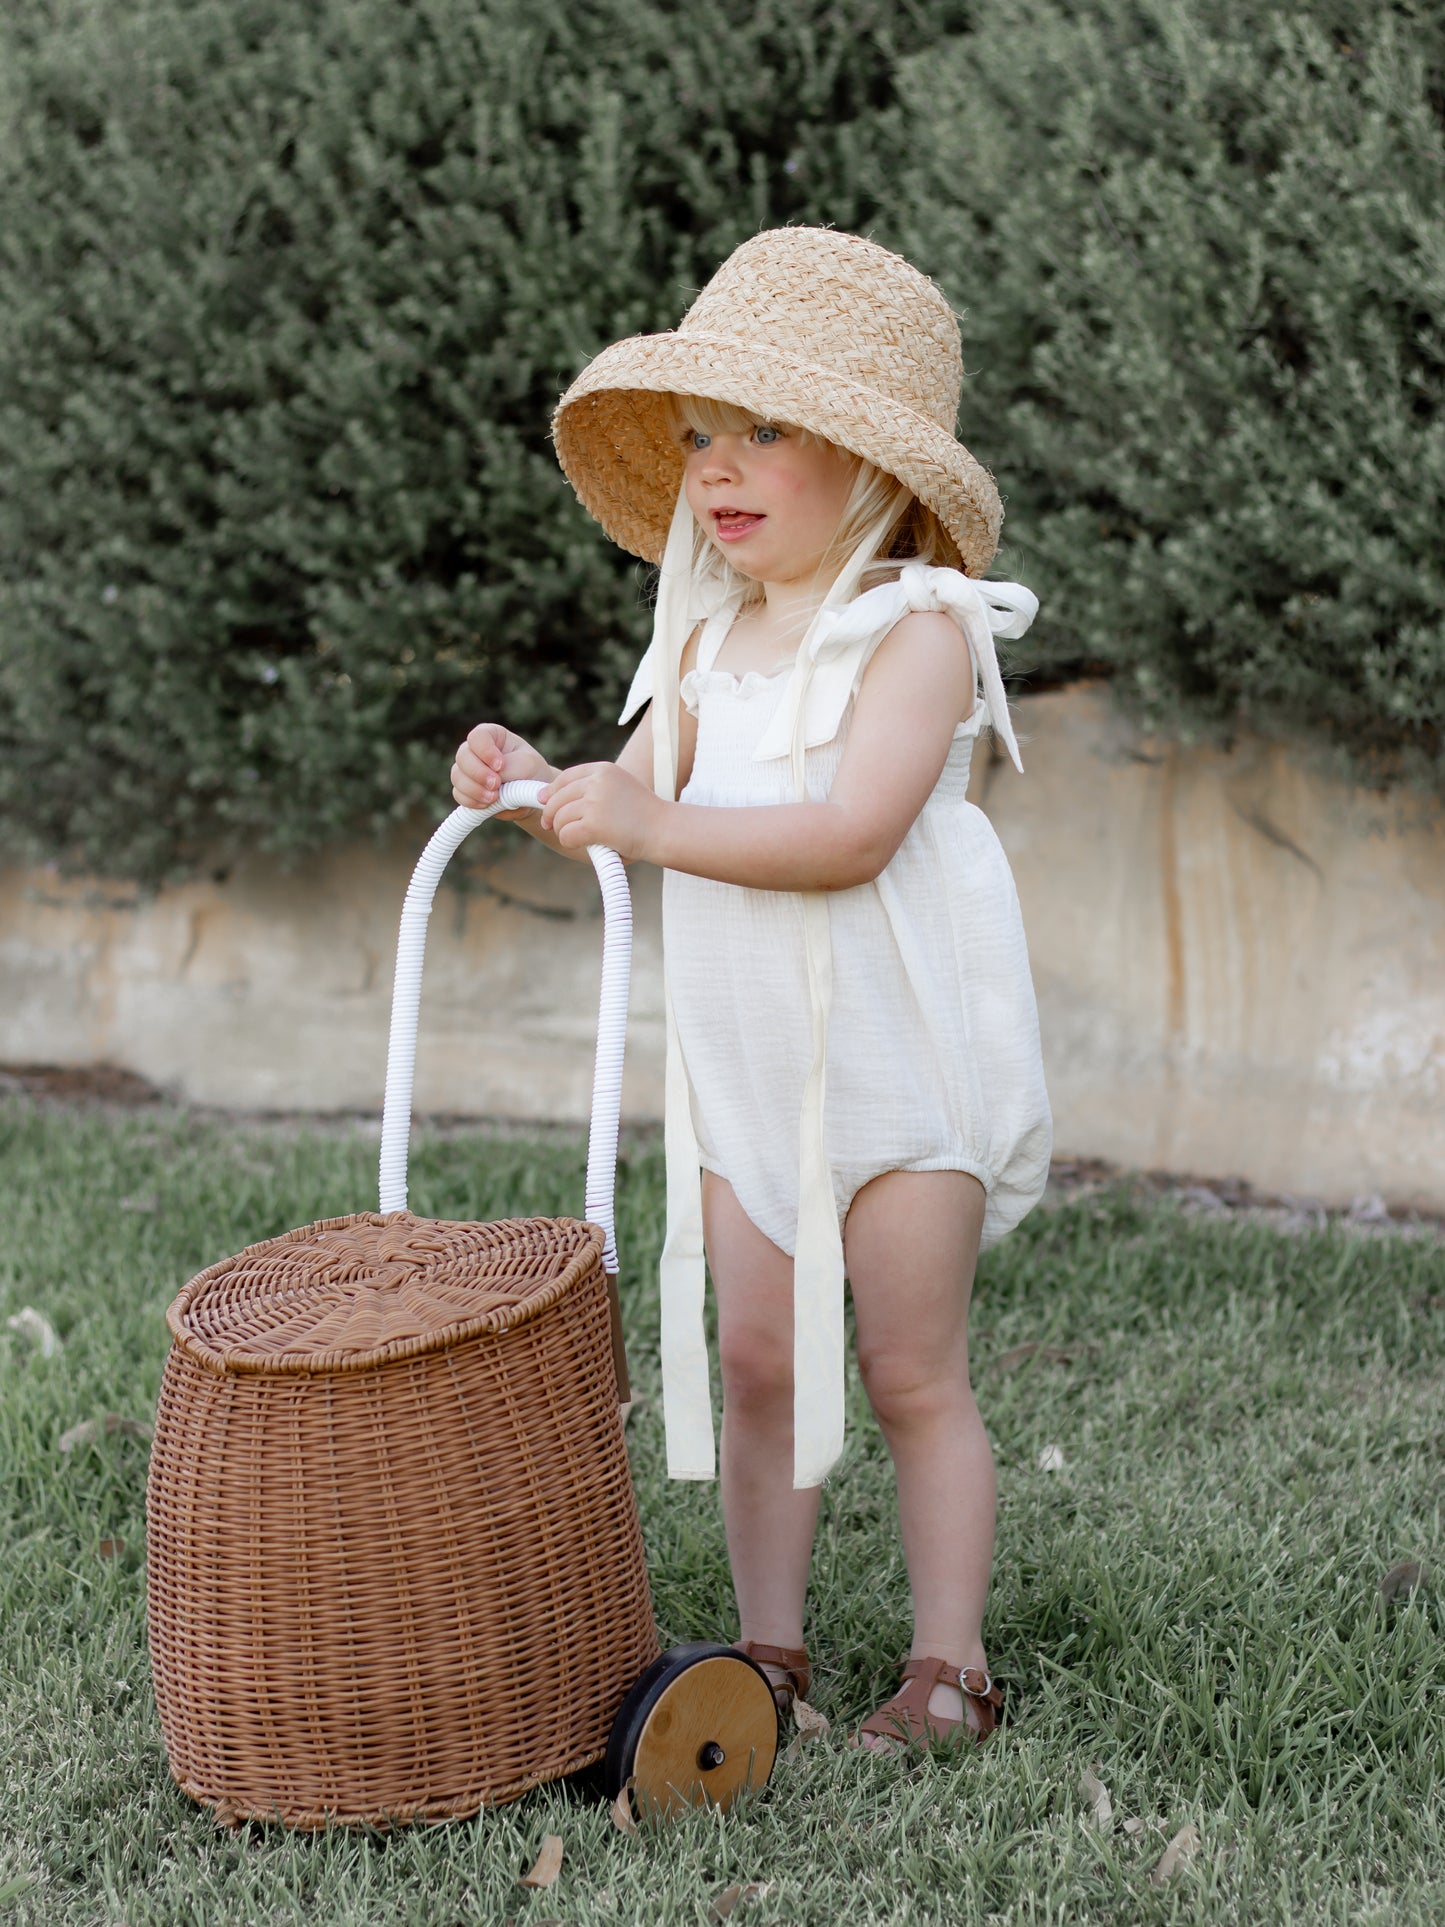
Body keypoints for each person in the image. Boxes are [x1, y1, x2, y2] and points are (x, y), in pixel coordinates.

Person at [450, 227, 1051, 1752]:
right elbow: (632, 790)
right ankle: (767, 1646)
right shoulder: (706, 640)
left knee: (912, 1370)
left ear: (871, 463)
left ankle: (946, 1667)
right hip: (746, 1069)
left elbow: (850, 835)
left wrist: (652, 825)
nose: (718, 466)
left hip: (901, 1071)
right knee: (756, 1358)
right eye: (702, 435)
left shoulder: (913, 631)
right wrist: (533, 786)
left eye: (764, 432)